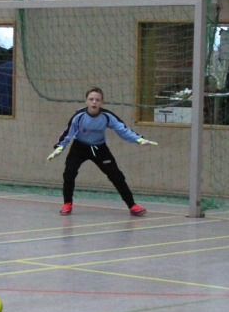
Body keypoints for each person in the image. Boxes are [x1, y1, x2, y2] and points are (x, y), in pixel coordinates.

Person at [47, 87, 157, 216]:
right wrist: (59, 148)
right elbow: (68, 133)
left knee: (116, 175)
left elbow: (123, 130)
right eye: (91, 99)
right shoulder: (79, 116)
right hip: (79, 147)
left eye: (97, 100)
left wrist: (139, 139)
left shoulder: (107, 116)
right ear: (86, 101)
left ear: (102, 102)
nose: (94, 102)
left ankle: (132, 205)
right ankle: (67, 204)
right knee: (69, 173)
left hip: (99, 148)